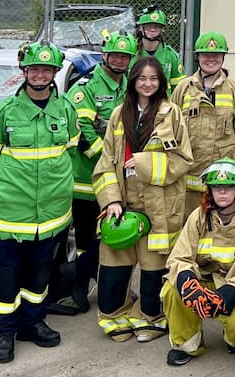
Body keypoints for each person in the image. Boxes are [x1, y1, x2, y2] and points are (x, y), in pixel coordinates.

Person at [0, 41, 80, 364]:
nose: (40, 75)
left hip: (50, 215)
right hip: (10, 214)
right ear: (25, 73)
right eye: (34, 69)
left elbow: (72, 145)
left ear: (53, 74)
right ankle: (2, 332)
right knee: (6, 278)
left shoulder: (65, 110)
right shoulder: (6, 112)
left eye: (46, 70)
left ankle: (32, 323)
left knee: (38, 278)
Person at [92, 56, 192, 343]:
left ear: (160, 83)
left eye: (153, 79)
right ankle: (114, 317)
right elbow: (106, 163)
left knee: (153, 270)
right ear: (133, 81)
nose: (147, 84)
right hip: (122, 205)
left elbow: (183, 159)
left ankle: (151, 318)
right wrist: (111, 200)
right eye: (142, 79)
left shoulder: (171, 114)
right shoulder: (117, 115)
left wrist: (143, 163)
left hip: (159, 207)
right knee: (114, 268)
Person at [59, 30, 138, 314]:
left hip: (116, 179)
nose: (119, 60)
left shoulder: (128, 85)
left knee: (113, 235)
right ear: (104, 55)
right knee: (86, 240)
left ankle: (109, 283)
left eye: (124, 56)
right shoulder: (87, 87)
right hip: (86, 181)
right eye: (115, 55)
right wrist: (109, 161)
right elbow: (82, 134)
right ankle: (77, 286)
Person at [162, 157, 235, 366]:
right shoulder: (198, 216)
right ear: (210, 190)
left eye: (228, 187)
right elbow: (180, 256)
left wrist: (230, 292)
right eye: (217, 187)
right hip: (204, 280)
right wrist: (187, 279)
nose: (222, 192)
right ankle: (187, 344)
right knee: (173, 289)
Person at [171, 31, 235, 215]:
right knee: (191, 229)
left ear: (223, 58)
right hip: (189, 180)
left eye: (216, 55)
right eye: (206, 54)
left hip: (224, 181)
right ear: (197, 57)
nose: (211, 59)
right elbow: (170, 130)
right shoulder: (183, 89)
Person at [133, 6, 186, 93]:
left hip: (163, 104)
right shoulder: (131, 53)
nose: (153, 29)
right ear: (141, 28)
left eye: (157, 26)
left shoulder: (171, 55)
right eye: (149, 25)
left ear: (162, 29)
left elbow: (180, 89)